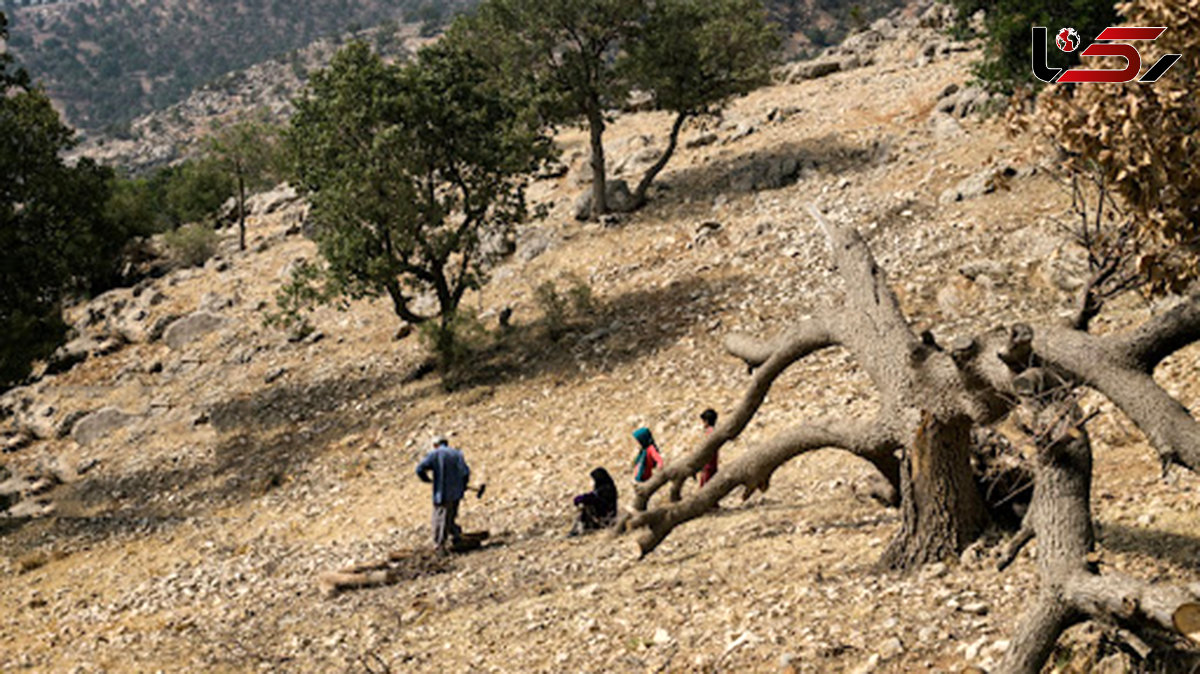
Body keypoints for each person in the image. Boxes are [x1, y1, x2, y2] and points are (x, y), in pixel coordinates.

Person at [416, 435, 470, 551]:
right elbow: (465, 472)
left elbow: (419, 469)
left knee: (440, 519)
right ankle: (456, 536)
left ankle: (439, 546)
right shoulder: (457, 454)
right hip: (456, 493)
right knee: (450, 516)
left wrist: (426, 479)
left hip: (442, 493)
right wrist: (463, 485)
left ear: (435, 445)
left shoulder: (434, 454)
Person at [569, 467, 618, 536]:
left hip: (607, 517)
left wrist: (587, 499)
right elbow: (594, 495)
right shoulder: (600, 486)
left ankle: (583, 528)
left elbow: (600, 501)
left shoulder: (608, 489)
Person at [699, 408, 719, 487]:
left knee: (704, 487)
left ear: (707, 421)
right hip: (713, 464)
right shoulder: (715, 432)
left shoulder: (709, 433)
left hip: (708, 465)